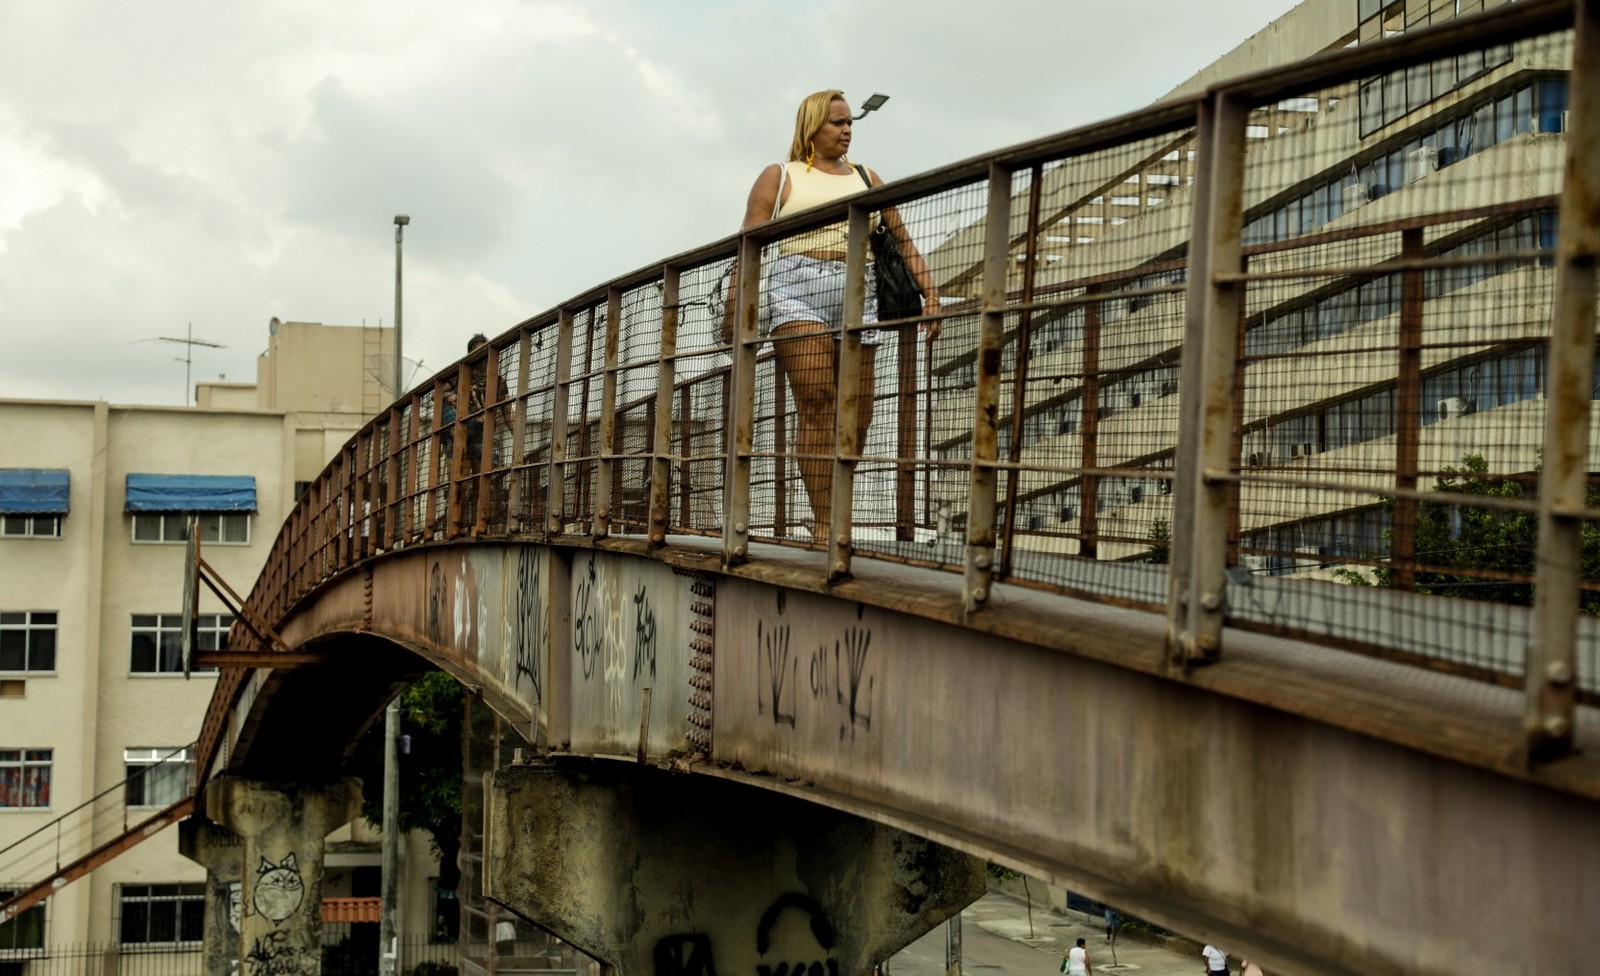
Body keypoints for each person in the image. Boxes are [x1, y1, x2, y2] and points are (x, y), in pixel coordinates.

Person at [731, 89, 941, 533]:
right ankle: (827, 521)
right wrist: (738, 299)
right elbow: (748, 243)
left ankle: (837, 503)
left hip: (858, 291)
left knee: (858, 411)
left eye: (850, 123)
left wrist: (932, 294)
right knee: (817, 399)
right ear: (813, 126)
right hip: (796, 289)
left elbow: (902, 241)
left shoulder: (866, 177)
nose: (847, 130)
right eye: (837, 122)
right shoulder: (781, 175)